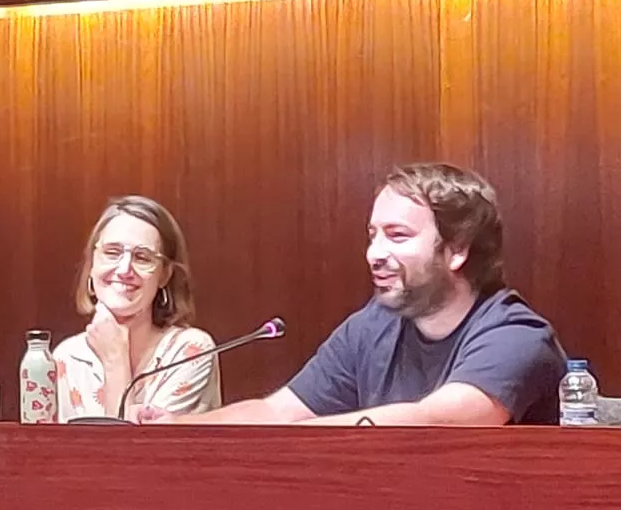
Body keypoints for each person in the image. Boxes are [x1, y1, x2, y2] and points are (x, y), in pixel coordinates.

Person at [144, 163, 565, 426]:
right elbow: (276, 412)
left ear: (457, 251)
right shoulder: (373, 325)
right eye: (372, 235)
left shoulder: (515, 335)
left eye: (397, 236)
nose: (374, 254)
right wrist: (180, 428)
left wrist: (295, 437)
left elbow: (438, 421)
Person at [53, 196, 222, 421]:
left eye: (142, 257)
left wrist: (115, 360)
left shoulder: (191, 351)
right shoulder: (66, 357)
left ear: (164, 275)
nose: (124, 269)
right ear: (92, 264)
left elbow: (132, 443)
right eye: (112, 252)